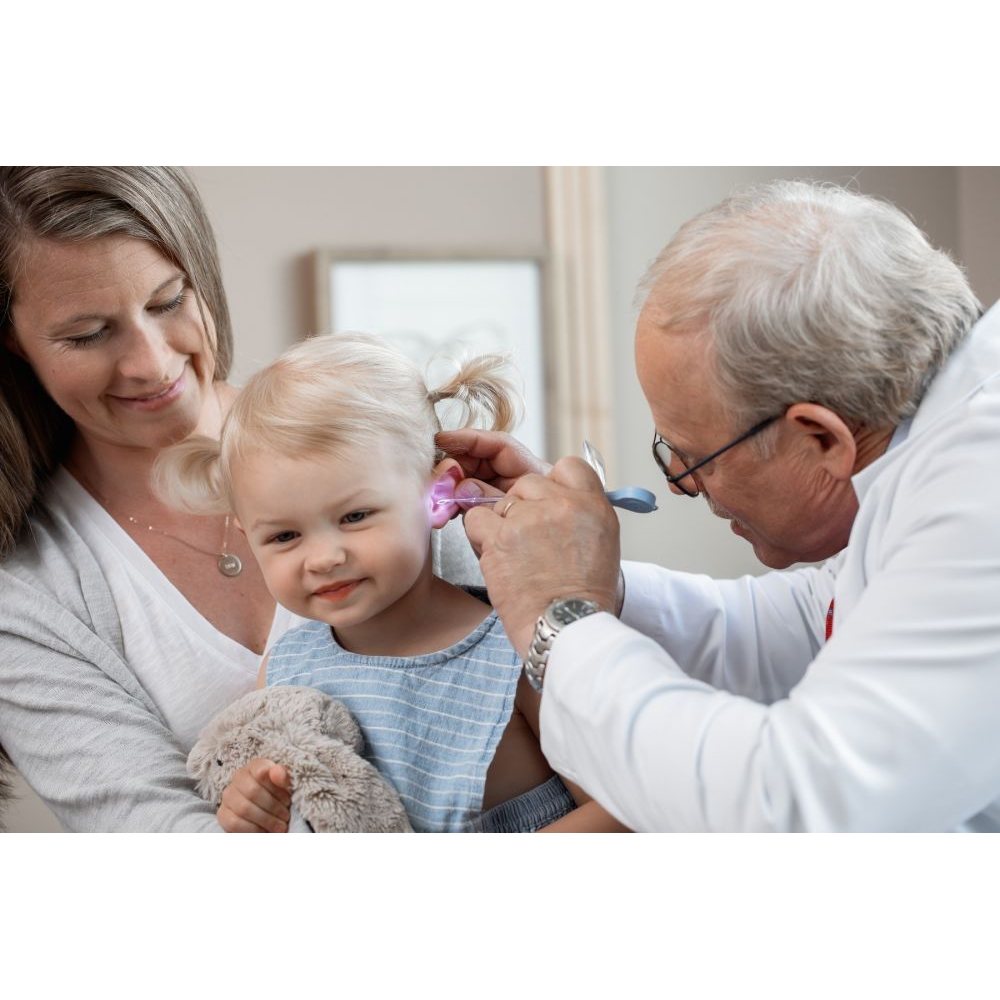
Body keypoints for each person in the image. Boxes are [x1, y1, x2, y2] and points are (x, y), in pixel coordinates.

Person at [439, 179, 1000, 832]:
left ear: (821, 439)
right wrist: (572, 571)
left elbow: (793, 804)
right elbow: (808, 624)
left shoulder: (981, 497)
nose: (682, 487)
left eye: (694, 459)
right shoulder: (943, 448)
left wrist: (560, 619)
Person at [0, 166, 478, 831]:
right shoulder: (28, 599)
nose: (151, 363)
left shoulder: (369, 435)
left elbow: (563, 696)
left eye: (168, 301)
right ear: (13, 341)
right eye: (86, 334)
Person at [157, 333, 628, 832]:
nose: (324, 558)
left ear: (439, 495)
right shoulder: (285, 669)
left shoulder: (520, 646)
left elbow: (625, 810)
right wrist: (251, 806)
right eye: (284, 536)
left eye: (355, 516)